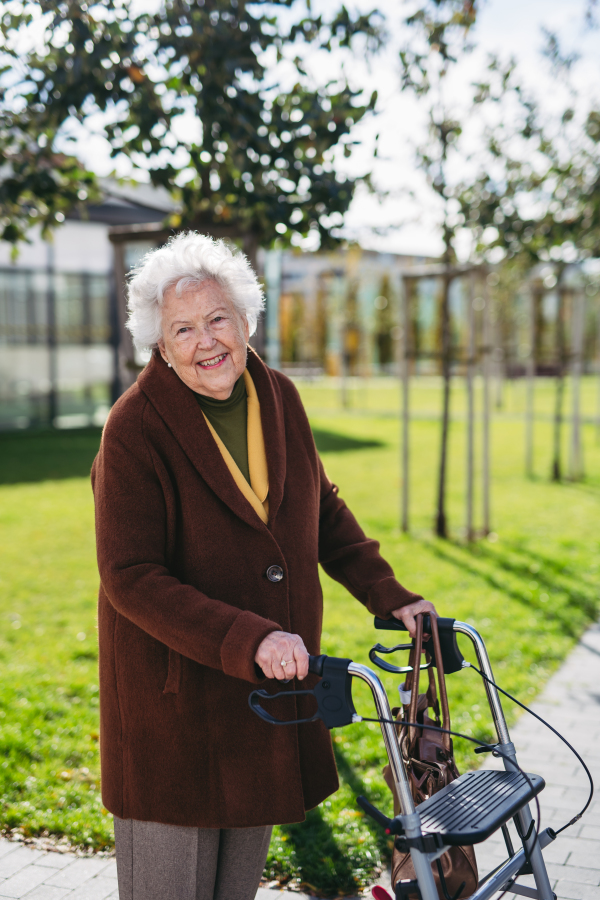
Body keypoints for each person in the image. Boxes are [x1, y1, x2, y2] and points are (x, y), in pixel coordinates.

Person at [91, 232, 436, 900]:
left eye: (218, 318)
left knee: (235, 888)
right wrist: (249, 638)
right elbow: (129, 574)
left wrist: (387, 594)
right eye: (182, 329)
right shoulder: (133, 428)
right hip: (178, 708)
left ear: (247, 318)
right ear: (158, 344)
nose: (206, 341)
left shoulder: (277, 394)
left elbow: (321, 508)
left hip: (263, 701)